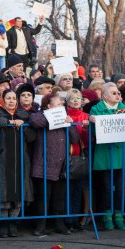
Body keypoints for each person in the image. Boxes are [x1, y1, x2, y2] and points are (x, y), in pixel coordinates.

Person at [0, 89, 35, 238]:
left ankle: (13, 223)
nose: (11, 101)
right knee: (3, 195)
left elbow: (32, 137)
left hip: (20, 160)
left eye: (14, 98)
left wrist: (23, 125)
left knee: (19, 194)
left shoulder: (24, 115)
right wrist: (9, 122)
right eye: (8, 98)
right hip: (1, 160)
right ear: (2, 100)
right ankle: (3, 224)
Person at [29, 94, 79, 236]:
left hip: (61, 166)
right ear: (49, 106)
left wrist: (69, 124)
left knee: (59, 198)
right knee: (43, 198)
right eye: (58, 104)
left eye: (62, 104)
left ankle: (59, 224)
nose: (62, 106)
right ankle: (41, 226)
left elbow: (75, 139)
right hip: (44, 164)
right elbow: (35, 121)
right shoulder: (39, 115)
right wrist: (53, 117)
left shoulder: (65, 118)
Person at [89, 82, 125, 230]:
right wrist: (93, 123)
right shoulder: (96, 110)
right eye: (114, 93)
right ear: (104, 96)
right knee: (108, 188)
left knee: (121, 188)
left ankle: (119, 214)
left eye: (118, 93)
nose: (118, 95)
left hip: (121, 153)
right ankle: (107, 215)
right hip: (105, 154)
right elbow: (95, 133)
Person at [65, 89, 89, 231]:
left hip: (81, 156)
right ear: (67, 101)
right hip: (66, 155)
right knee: (67, 190)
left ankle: (74, 219)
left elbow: (89, 140)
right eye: (72, 98)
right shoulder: (63, 115)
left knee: (78, 190)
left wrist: (86, 129)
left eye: (78, 98)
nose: (75, 100)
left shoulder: (86, 116)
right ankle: (67, 219)